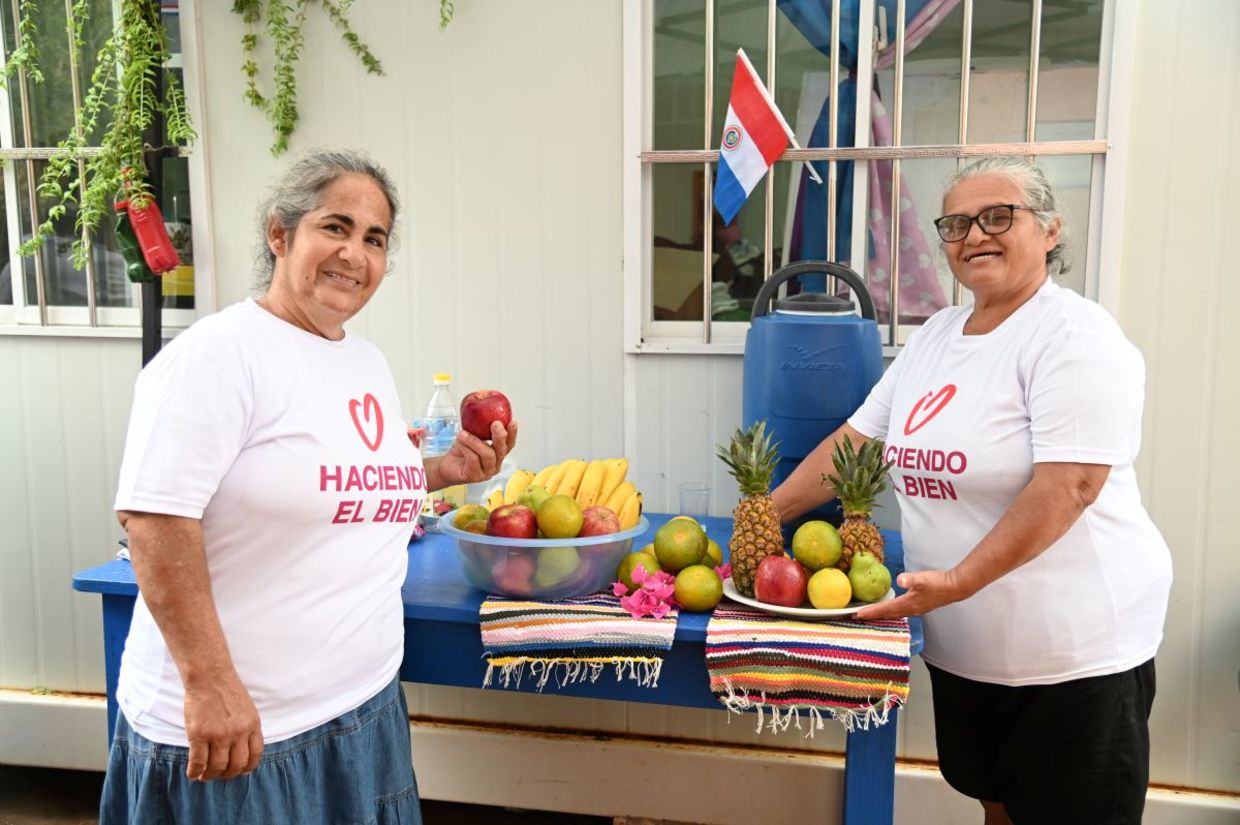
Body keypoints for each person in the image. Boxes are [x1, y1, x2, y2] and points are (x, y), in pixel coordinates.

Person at [100, 149, 517, 824]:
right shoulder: (216, 356)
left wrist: (442, 473)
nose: (354, 254)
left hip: (362, 712)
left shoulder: (364, 362)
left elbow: (343, 485)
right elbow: (155, 521)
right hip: (245, 736)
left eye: (374, 239)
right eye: (335, 227)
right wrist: (210, 684)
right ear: (280, 234)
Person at [771, 157, 1171, 825]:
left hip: (1071, 655)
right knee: (997, 805)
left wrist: (957, 581)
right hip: (966, 643)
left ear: (1050, 229)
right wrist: (762, 514)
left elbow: (1071, 485)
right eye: (956, 224)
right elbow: (856, 444)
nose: (975, 235)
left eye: (998, 216)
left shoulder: (1074, 337)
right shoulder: (936, 336)